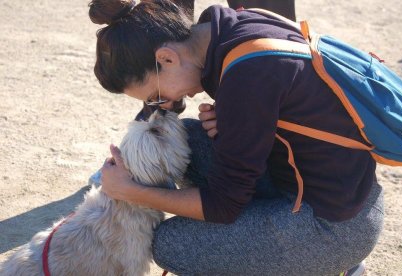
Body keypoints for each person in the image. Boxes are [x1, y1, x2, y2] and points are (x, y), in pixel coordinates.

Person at [88, 0, 383, 275]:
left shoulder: (247, 77)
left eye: (157, 96)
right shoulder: (230, 29)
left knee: (171, 244)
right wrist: (239, 121)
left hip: (334, 225)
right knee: (190, 137)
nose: (164, 106)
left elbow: (223, 206)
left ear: (166, 58)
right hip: (335, 188)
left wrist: (129, 192)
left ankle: (330, 265)